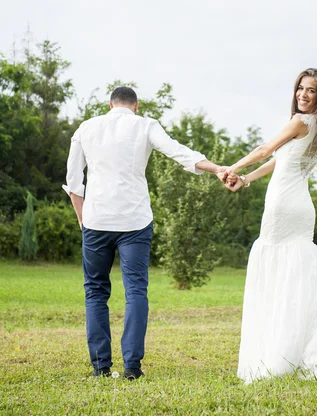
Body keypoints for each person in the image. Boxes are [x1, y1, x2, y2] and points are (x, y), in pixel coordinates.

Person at [63, 86, 226, 379]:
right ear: (136, 106)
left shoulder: (86, 128)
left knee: (95, 292)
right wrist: (216, 169)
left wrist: (82, 218)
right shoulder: (146, 126)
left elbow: (74, 180)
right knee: (136, 291)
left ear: (110, 104)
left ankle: (101, 367)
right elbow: (180, 153)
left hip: (96, 220)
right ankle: (132, 368)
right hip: (135, 222)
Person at [223, 68, 317, 382]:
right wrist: (245, 179)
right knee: (292, 280)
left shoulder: (300, 121)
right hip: (300, 205)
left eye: (311, 90)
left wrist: (230, 168)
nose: (302, 94)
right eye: (300, 88)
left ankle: (278, 351)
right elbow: (277, 161)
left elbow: (264, 151)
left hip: (284, 205)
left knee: (277, 276)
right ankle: (292, 350)